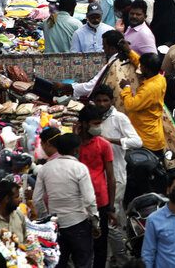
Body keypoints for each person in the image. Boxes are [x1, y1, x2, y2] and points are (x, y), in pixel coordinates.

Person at [33, 133, 98, 268]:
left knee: (58, 263)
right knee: (83, 263)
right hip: (78, 223)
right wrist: (95, 222)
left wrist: (46, 220)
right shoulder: (80, 168)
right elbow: (89, 200)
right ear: (75, 150)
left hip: (56, 226)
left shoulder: (45, 169)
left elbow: (37, 199)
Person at [92, 84, 141, 218]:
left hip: (116, 172)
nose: (102, 104)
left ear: (112, 101)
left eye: (105, 100)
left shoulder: (119, 118)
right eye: (99, 101)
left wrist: (110, 140)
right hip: (97, 174)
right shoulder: (93, 117)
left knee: (113, 211)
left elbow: (137, 142)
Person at [76, 106, 115, 268]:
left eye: (99, 123)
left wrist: (111, 207)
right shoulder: (74, 144)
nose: (98, 127)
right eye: (94, 123)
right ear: (84, 124)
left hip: (101, 200)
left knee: (100, 244)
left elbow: (111, 178)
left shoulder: (104, 145)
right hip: (78, 201)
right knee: (80, 244)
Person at [120, 53, 167, 156]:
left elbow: (130, 105)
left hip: (146, 140)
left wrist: (126, 87)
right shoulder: (159, 78)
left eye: (141, 66)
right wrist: (129, 52)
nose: (139, 67)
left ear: (146, 69)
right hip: (152, 136)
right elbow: (140, 62)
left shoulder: (149, 89)